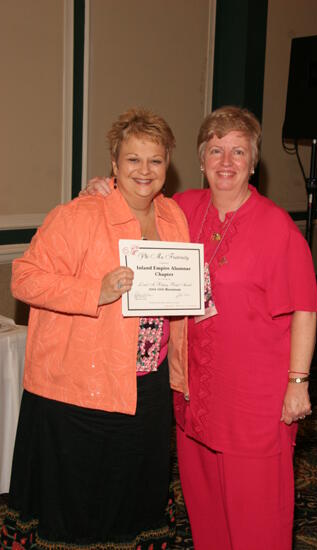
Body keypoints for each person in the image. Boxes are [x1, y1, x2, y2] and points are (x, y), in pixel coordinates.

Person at [82, 105, 317, 550]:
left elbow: (305, 306)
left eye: (237, 151)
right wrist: (104, 187)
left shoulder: (277, 227)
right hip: (195, 392)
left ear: (253, 163)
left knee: (257, 519)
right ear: (201, 159)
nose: (226, 162)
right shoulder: (183, 209)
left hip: (254, 400)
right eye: (215, 150)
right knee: (205, 511)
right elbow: (135, 201)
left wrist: (298, 382)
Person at [1, 108, 190, 549]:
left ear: (168, 165)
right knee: (78, 504)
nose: (145, 171)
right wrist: (95, 290)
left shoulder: (173, 218)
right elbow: (24, 277)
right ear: (114, 164)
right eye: (133, 160)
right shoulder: (80, 215)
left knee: (133, 498)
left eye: (155, 160)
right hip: (80, 387)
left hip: (148, 384)